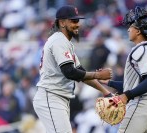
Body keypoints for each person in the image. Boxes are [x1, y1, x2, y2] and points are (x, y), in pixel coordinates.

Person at [33, 5, 112, 133]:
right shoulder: (59, 40)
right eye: (73, 21)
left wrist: (105, 92)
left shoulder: (65, 43)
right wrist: (98, 75)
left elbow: (81, 72)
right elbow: (70, 72)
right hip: (51, 97)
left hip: (56, 98)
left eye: (78, 21)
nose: (78, 24)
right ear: (62, 22)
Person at [100, 6, 147, 133]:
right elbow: (136, 85)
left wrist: (127, 95)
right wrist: (110, 83)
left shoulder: (144, 49)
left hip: (142, 105)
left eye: (131, 26)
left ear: (138, 31)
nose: (128, 29)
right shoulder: (145, 49)